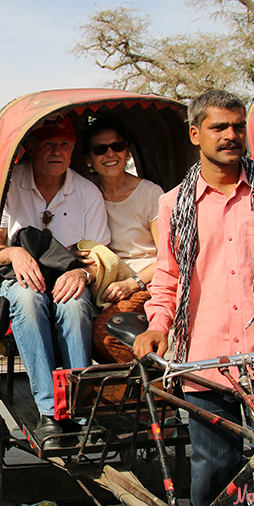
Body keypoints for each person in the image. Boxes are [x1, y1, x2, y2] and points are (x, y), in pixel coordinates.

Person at [133, 90, 254, 506]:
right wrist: (158, 325)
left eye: (238, 126)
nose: (231, 135)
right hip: (207, 362)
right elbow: (168, 277)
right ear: (196, 134)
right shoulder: (175, 202)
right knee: (214, 473)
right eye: (219, 127)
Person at [0, 115, 109, 447]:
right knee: (29, 300)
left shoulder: (86, 192)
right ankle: (50, 411)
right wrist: (14, 254)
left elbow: (98, 254)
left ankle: (80, 409)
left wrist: (81, 273)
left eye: (65, 145)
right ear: (30, 147)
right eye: (49, 144)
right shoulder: (10, 183)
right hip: (19, 278)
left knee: (74, 304)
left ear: (73, 150)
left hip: (68, 277)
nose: (57, 151)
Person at [82, 118, 163, 363]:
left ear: (126, 151)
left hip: (146, 282)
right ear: (89, 158)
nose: (110, 154)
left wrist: (133, 284)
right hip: (103, 282)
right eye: (100, 149)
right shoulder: (84, 192)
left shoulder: (150, 193)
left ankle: (153, 392)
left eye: (117, 146)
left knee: (105, 336)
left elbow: (169, 257)